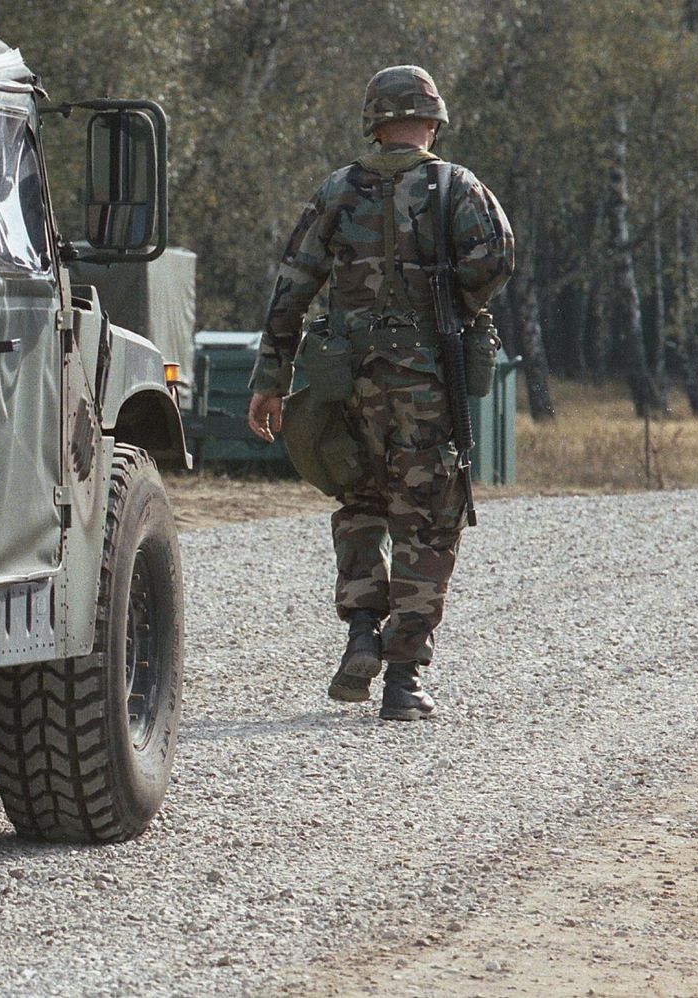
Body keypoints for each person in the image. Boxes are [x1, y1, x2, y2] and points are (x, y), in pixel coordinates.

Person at [246, 65, 513, 721]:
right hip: (426, 381)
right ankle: (402, 679)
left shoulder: (338, 190)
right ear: (431, 118)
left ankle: (362, 629)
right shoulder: (456, 186)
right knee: (427, 520)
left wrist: (270, 383)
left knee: (360, 499)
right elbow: (497, 258)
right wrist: (454, 304)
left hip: (350, 381)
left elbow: (292, 289)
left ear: (374, 120)